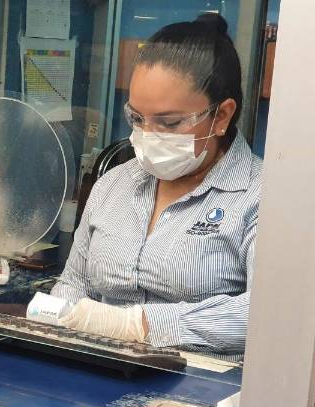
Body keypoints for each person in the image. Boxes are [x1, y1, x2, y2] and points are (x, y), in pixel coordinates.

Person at [49, 14, 261, 357]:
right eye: (137, 118)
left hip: (197, 393)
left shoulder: (260, 197)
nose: (147, 135)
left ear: (221, 116)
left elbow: (267, 313)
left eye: (169, 122)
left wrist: (142, 326)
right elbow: (74, 283)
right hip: (96, 376)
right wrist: (50, 320)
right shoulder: (114, 185)